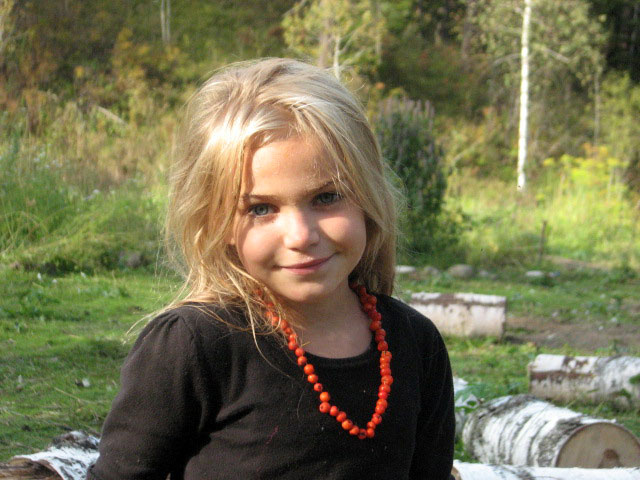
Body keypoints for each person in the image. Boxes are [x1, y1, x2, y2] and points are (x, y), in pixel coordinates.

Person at [87, 58, 455, 480]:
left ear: (368, 196)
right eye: (261, 208)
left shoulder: (415, 344)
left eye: (327, 197)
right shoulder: (193, 347)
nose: (300, 235)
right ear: (217, 221)